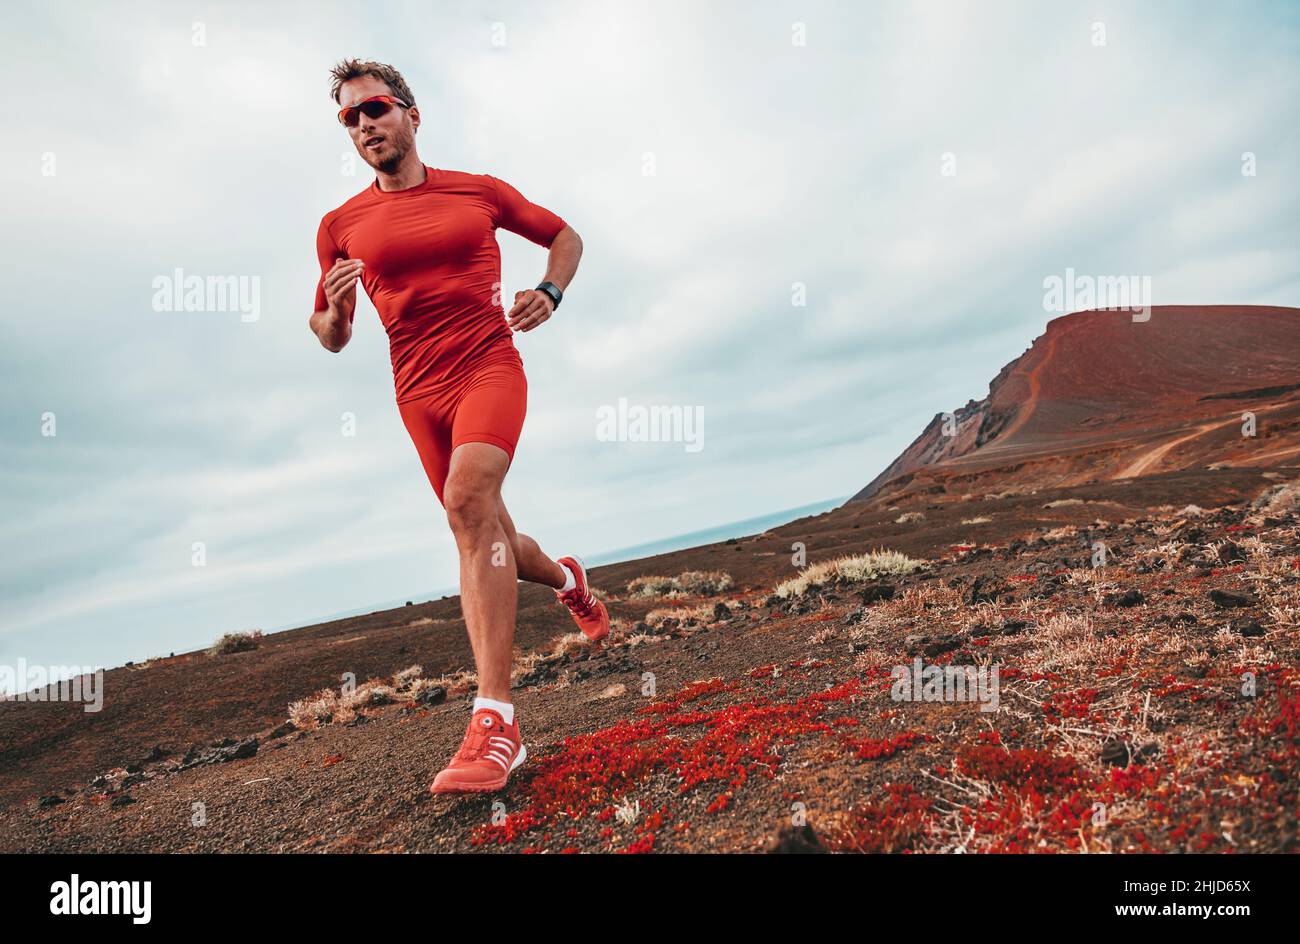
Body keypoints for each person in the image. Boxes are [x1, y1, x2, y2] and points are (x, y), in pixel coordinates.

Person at [309, 59, 610, 795]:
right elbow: (328, 333)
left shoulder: (477, 191)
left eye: (374, 108)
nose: (364, 125)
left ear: (411, 113)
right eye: (349, 118)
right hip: (417, 394)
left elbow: (565, 235)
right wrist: (339, 311)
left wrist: (549, 290)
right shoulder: (340, 226)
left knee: (467, 504)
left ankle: (496, 721)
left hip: (488, 367)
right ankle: (568, 577)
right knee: (491, 534)